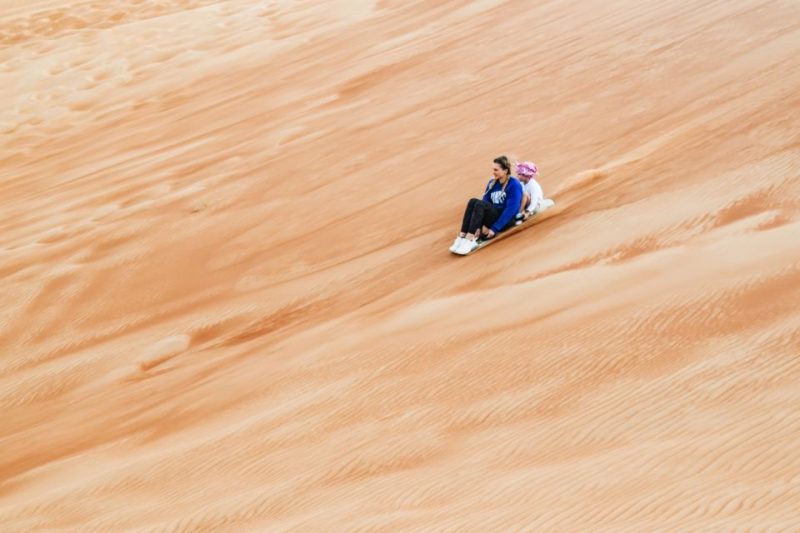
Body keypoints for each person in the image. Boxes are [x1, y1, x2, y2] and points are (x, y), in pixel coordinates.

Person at [451, 155, 523, 255]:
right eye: (493, 169)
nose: (493, 172)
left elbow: (512, 209)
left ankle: (470, 239)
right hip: (494, 217)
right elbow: (484, 203)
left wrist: (494, 229)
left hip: (506, 221)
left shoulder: (514, 184)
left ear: (505, 171)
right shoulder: (492, 183)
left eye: (496, 170)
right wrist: (478, 228)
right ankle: (462, 237)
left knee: (480, 204)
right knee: (473, 201)